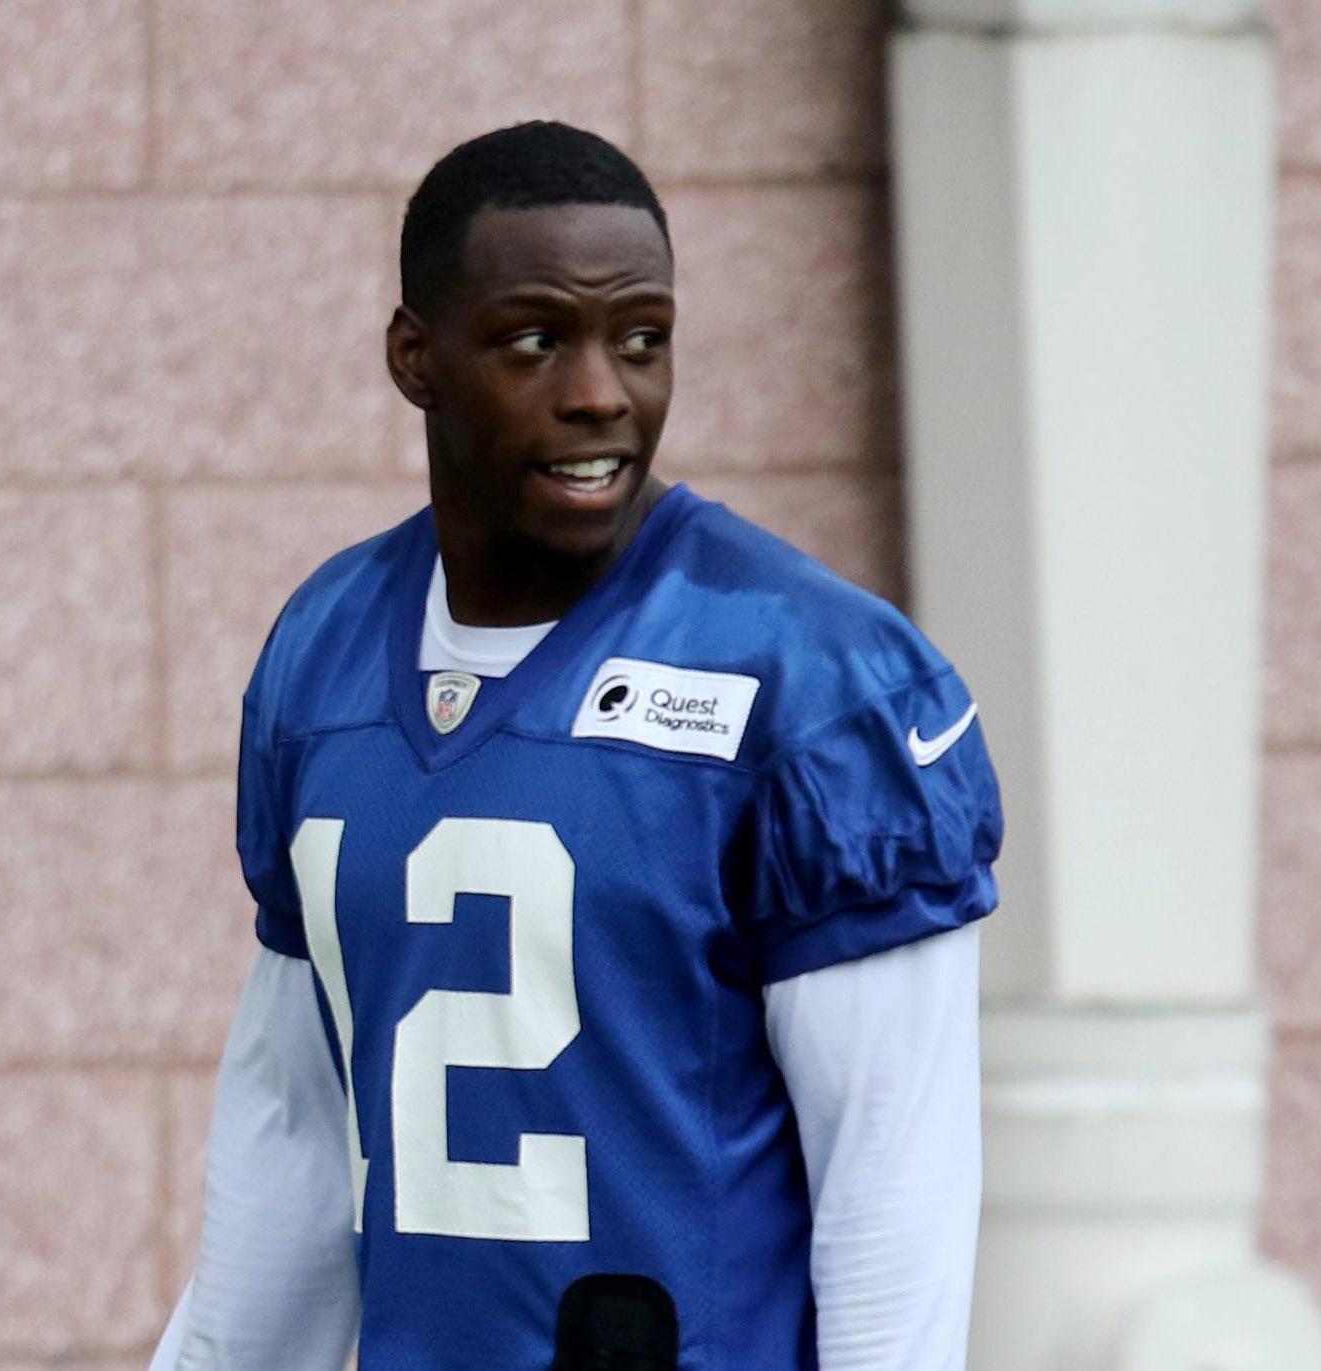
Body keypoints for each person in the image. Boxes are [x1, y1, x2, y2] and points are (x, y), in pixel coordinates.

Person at [150, 121, 1001, 1371]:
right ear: (415, 357)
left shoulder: (813, 679)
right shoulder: (325, 647)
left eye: (640, 339)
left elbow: (897, 1177)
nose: (601, 390)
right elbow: (294, 1127)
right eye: (536, 339)